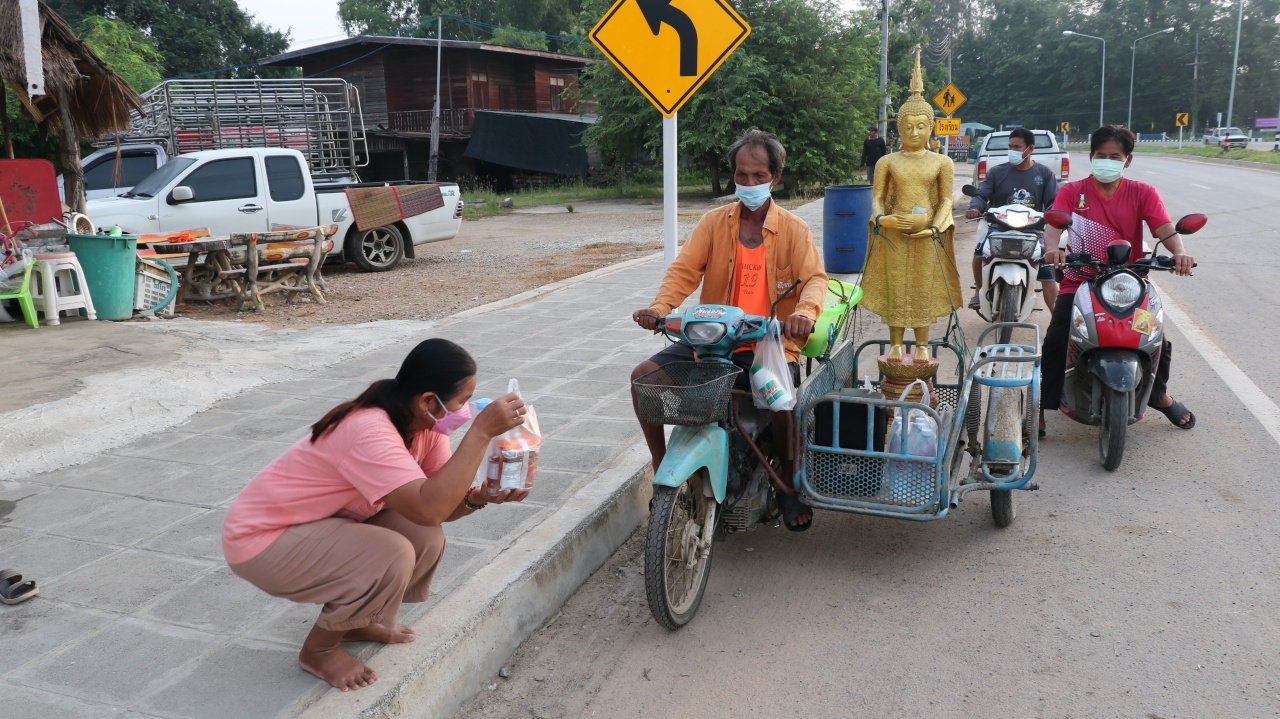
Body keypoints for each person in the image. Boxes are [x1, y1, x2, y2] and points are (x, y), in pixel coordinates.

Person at [222, 339, 530, 691]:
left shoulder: (425, 430)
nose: (466, 411)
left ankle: (356, 621)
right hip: (260, 539)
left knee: (423, 535)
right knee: (391, 553)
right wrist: (480, 432)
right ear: (429, 401)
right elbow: (430, 506)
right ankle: (319, 651)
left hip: (319, 523)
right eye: (461, 402)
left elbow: (437, 511)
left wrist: (480, 497)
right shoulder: (369, 429)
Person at [631, 128, 827, 531]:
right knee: (643, 379)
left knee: (781, 404)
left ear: (775, 176)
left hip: (769, 343)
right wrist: (659, 308)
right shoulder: (714, 223)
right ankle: (659, 463)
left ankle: (788, 487)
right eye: (742, 175)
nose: (749, 183)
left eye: (758, 176)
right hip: (712, 340)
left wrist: (804, 314)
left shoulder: (794, 229)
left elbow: (815, 280)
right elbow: (685, 271)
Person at [1041, 124, 1196, 437]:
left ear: (1127, 160)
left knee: (1156, 341)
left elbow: (1164, 228)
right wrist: (1052, 249)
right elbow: (1054, 224)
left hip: (1129, 283)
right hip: (1080, 281)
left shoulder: (1142, 192)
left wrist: (1180, 252)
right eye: (1101, 155)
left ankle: (1158, 396)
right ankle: (1042, 408)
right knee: (1058, 338)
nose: (1107, 161)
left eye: (1115, 156)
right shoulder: (1073, 191)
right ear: (1091, 156)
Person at [965, 127, 1061, 312]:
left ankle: (1058, 320)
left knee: (1047, 270)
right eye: (1010, 146)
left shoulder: (1044, 174)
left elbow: (1053, 203)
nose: (1012, 150)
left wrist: (1053, 215)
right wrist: (975, 207)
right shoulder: (996, 172)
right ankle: (978, 290)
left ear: (1030, 149)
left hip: (1032, 229)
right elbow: (982, 194)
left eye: (1017, 147)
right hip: (1000, 227)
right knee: (979, 254)